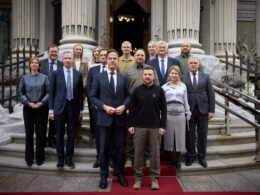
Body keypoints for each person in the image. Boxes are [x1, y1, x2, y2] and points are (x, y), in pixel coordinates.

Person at [90, 49, 131, 189]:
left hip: (119, 120)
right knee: (104, 149)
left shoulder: (123, 78)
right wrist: (104, 107)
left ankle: (120, 174)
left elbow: (129, 96)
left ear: (118, 61)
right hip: (104, 118)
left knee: (119, 149)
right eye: (110, 58)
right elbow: (92, 97)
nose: (112, 61)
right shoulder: (98, 77)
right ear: (106, 60)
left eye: (115, 58)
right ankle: (103, 175)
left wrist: (124, 107)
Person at [128, 66, 167, 190]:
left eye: (150, 74)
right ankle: (138, 179)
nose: (147, 77)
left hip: (155, 127)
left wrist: (162, 126)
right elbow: (132, 109)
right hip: (139, 127)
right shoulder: (137, 91)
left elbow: (164, 111)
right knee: (138, 153)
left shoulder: (159, 91)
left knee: (155, 155)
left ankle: (154, 179)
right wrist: (130, 125)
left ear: (153, 76)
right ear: (142, 76)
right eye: (145, 74)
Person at [124, 48, 159, 168]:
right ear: (134, 56)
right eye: (138, 55)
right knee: (130, 133)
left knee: (148, 133)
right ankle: (129, 157)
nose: (140, 57)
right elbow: (125, 91)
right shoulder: (128, 71)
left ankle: (148, 157)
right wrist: (127, 107)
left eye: (142, 55)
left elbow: (157, 88)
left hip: (148, 107)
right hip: (133, 107)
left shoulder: (151, 69)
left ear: (145, 57)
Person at [49, 51, 83, 169]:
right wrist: (51, 110)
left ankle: (69, 159)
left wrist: (81, 111)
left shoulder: (78, 74)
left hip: (73, 109)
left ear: (72, 60)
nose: (68, 60)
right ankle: (60, 159)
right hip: (59, 108)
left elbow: (80, 95)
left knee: (71, 135)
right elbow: (51, 92)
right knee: (59, 135)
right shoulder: (55, 73)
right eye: (65, 58)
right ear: (62, 60)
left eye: (69, 58)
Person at [181, 57, 215, 168]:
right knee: (189, 134)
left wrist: (211, 110)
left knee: (202, 135)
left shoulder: (205, 77)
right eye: (191, 63)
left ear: (198, 65)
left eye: (195, 63)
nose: (193, 65)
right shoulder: (183, 77)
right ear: (188, 64)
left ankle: (202, 157)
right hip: (189, 111)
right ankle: (190, 156)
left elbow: (211, 94)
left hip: (203, 110)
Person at [18, 57, 50, 167]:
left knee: (41, 133)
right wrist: (28, 103)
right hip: (28, 108)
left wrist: (42, 102)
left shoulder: (44, 78)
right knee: (29, 133)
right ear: (30, 65)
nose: (34, 64)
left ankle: (40, 158)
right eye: (32, 63)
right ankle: (29, 158)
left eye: (36, 63)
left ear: (39, 65)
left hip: (42, 108)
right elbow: (20, 93)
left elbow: (49, 92)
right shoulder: (24, 78)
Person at [162, 66, 191, 169]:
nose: (174, 75)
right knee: (169, 138)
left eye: (176, 73)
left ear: (179, 75)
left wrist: (188, 114)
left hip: (180, 113)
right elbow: (162, 104)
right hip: (168, 113)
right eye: (172, 73)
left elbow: (186, 101)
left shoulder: (183, 86)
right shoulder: (164, 87)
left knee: (179, 138)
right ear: (169, 74)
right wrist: (162, 116)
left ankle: (177, 161)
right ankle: (171, 160)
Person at [87, 48, 108, 168]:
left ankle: (109, 158)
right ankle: (99, 158)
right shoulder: (93, 70)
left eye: (106, 55)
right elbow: (89, 87)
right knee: (99, 134)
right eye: (102, 55)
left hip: (109, 108)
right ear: (98, 57)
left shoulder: (114, 69)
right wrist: (93, 102)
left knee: (109, 135)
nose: (104, 57)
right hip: (96, 108)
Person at [41, 44, 63, 148]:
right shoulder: (41, 63)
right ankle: (42, 139)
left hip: (56, 97)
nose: (54, 54)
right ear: (47, 52)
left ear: (58, 53)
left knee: (53, 120)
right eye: (52, 52)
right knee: (42, 120)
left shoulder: (61, 64)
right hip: (43, 96)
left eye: (55, 52)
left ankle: (51, 139)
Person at [72, 44, 88, 139]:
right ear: (74, 50)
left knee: (80, 110)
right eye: (77, 49)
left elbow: (86, 74)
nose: (78, 51)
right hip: (71, 89)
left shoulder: (85, 62)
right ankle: (71, 128)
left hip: (81, 90)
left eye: (80, 49)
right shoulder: (70, 61)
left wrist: (83, 84)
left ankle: (78, 129)